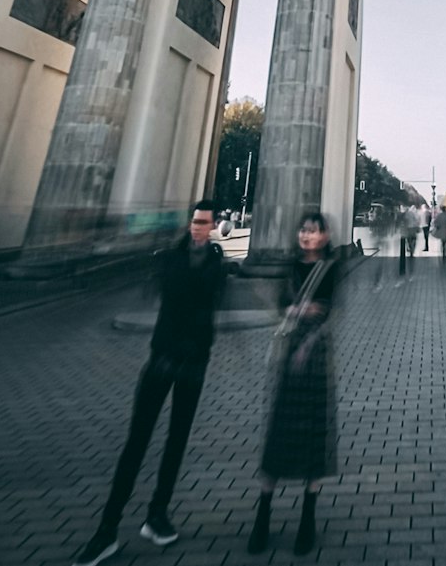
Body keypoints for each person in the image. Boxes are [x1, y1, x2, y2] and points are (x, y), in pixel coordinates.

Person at [72, 200, 226, 566]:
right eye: (194, 222)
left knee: (177, 440)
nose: (197, 228)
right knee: (137, 440)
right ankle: (107, 529)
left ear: (215, 224)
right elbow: (177, 297)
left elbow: (210, 305)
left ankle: (157, 515)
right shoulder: (170, 258)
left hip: (193, 363)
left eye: (204, 223)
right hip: (162, 359)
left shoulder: (217, 264)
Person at [249, 211, 338, 557]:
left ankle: (308, 517)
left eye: (313, 231)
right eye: (303, 230)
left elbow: (327, 309)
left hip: (314, 360)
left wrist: (300, 314)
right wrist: (298, 311)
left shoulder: (331, 268)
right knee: (279, 436)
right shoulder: (290, 266)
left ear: (325, 236)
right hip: (290, 361)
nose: (306, 236)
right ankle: (263, 513)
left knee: (314, 438)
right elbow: (283, 306)